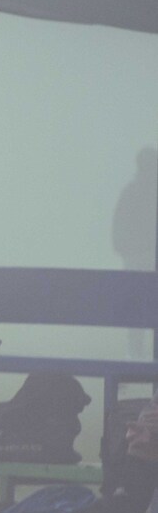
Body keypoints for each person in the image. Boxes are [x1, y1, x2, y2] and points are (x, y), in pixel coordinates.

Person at [112, 146, 158, 358]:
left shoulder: (130, 193)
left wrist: (131, 251)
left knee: (136, 308)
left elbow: (117, 238)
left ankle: (135, 356)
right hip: (146, 262)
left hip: (135, 263)